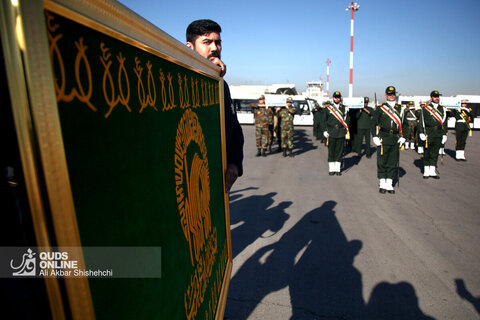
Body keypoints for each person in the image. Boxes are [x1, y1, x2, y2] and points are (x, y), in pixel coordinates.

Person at [186, 19, 244, 192]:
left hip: (218, 178)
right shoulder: (180, 81)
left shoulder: (222, 85)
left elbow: (233, 128)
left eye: (217, 42)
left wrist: (234, 162)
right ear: (190, 47)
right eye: (206, 42)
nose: (214, 48)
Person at [372, 86, 408, 194]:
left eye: (393, 94)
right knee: (382, 161)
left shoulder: (401, 109)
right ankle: (382, 183)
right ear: (385, 95)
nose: (392, 96)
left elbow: (405, 125)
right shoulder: (381, 108)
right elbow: (373, 123)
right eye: (389, 94)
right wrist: (374, 136)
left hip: (395, 138)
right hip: (383, 137)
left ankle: (389, 183)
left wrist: (403, 137)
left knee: (393, 161)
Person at [417, 90, 447, 179]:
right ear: (431, 98)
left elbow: (444, 123)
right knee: (427, 152)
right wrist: (421, 132)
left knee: (435, 152)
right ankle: (426, 170)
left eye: (438, 97)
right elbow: (421, 122)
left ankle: (432, 170)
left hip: (438, 133)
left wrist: (444, 133)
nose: (437, 98)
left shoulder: (442, 109)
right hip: (429, 132)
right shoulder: (426, 109)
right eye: (435, 97)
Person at [323, 91, 350, 175]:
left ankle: (337, 169)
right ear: (333, 98)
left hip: (341, 132)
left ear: (340, 98)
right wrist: (325, 130)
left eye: (338, 97)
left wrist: (346, 131)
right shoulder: (328, 108)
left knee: (339, 150)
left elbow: (347, 120)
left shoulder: (344, 108)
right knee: (331, 151)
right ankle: (331, 169)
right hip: (331, 131)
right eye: (335, 97)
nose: (337, 99)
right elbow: (324, 120)